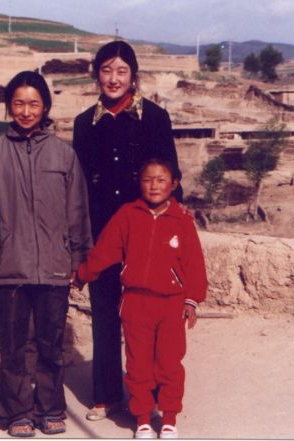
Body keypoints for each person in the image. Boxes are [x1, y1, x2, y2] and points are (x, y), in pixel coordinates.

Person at [0, 70, 92, 437]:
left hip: (54, 268)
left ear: (45, 107)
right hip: (10, 268)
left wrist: (78, 260)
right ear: (10, 106)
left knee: (50, 345)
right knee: (13, 346)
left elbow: (77, 212)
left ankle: (50, 408)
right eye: (19, 103)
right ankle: (17, 411)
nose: (26, 111)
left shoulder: (63, 154)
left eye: (34, 104)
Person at [72, 40, 183, 421]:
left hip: (146, 234)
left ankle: (152, 396)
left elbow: (170, 177)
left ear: (133, 75)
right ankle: (106, 395)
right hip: (102, 234)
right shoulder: (84, 124)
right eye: (106, 71)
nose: (114, 79)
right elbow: (79, 185)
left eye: (121, 71)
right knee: (104, 314)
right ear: (97, 75)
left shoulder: (155, 118)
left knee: (147, 318)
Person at [74, 157, 207, 439]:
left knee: (169, 363)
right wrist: (83, 273)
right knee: (138, 364)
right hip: (135, 303)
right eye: (147, 180)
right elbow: (106, 249)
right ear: (139, 184)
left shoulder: (182, 220)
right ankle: (143, 418)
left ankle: (168, 418)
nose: (154, 185)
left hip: (171, 304)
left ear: (174, 184)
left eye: (161, 180)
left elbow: (194, 263)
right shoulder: (127, 215)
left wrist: (192, 300)